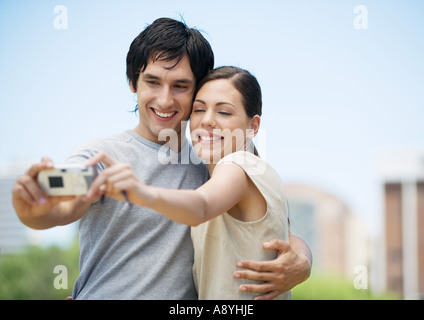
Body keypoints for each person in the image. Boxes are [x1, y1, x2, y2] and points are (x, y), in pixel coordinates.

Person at [12, 17, 312, 300]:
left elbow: (277, 232)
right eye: (152, 82)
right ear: (133, 83)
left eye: (180, 86)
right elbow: (63, 204)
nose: (165, 100)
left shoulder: (216, 164)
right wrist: (31, 211)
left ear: (197, 90)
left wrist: (302, 262)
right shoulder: (103, 155)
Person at [86, 66, 292, 300]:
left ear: (253, 127)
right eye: (199, 109)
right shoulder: (257, 172)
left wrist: (140, 191)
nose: (207, 120)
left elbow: (201, 206)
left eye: (224, 112)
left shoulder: (238, 165)